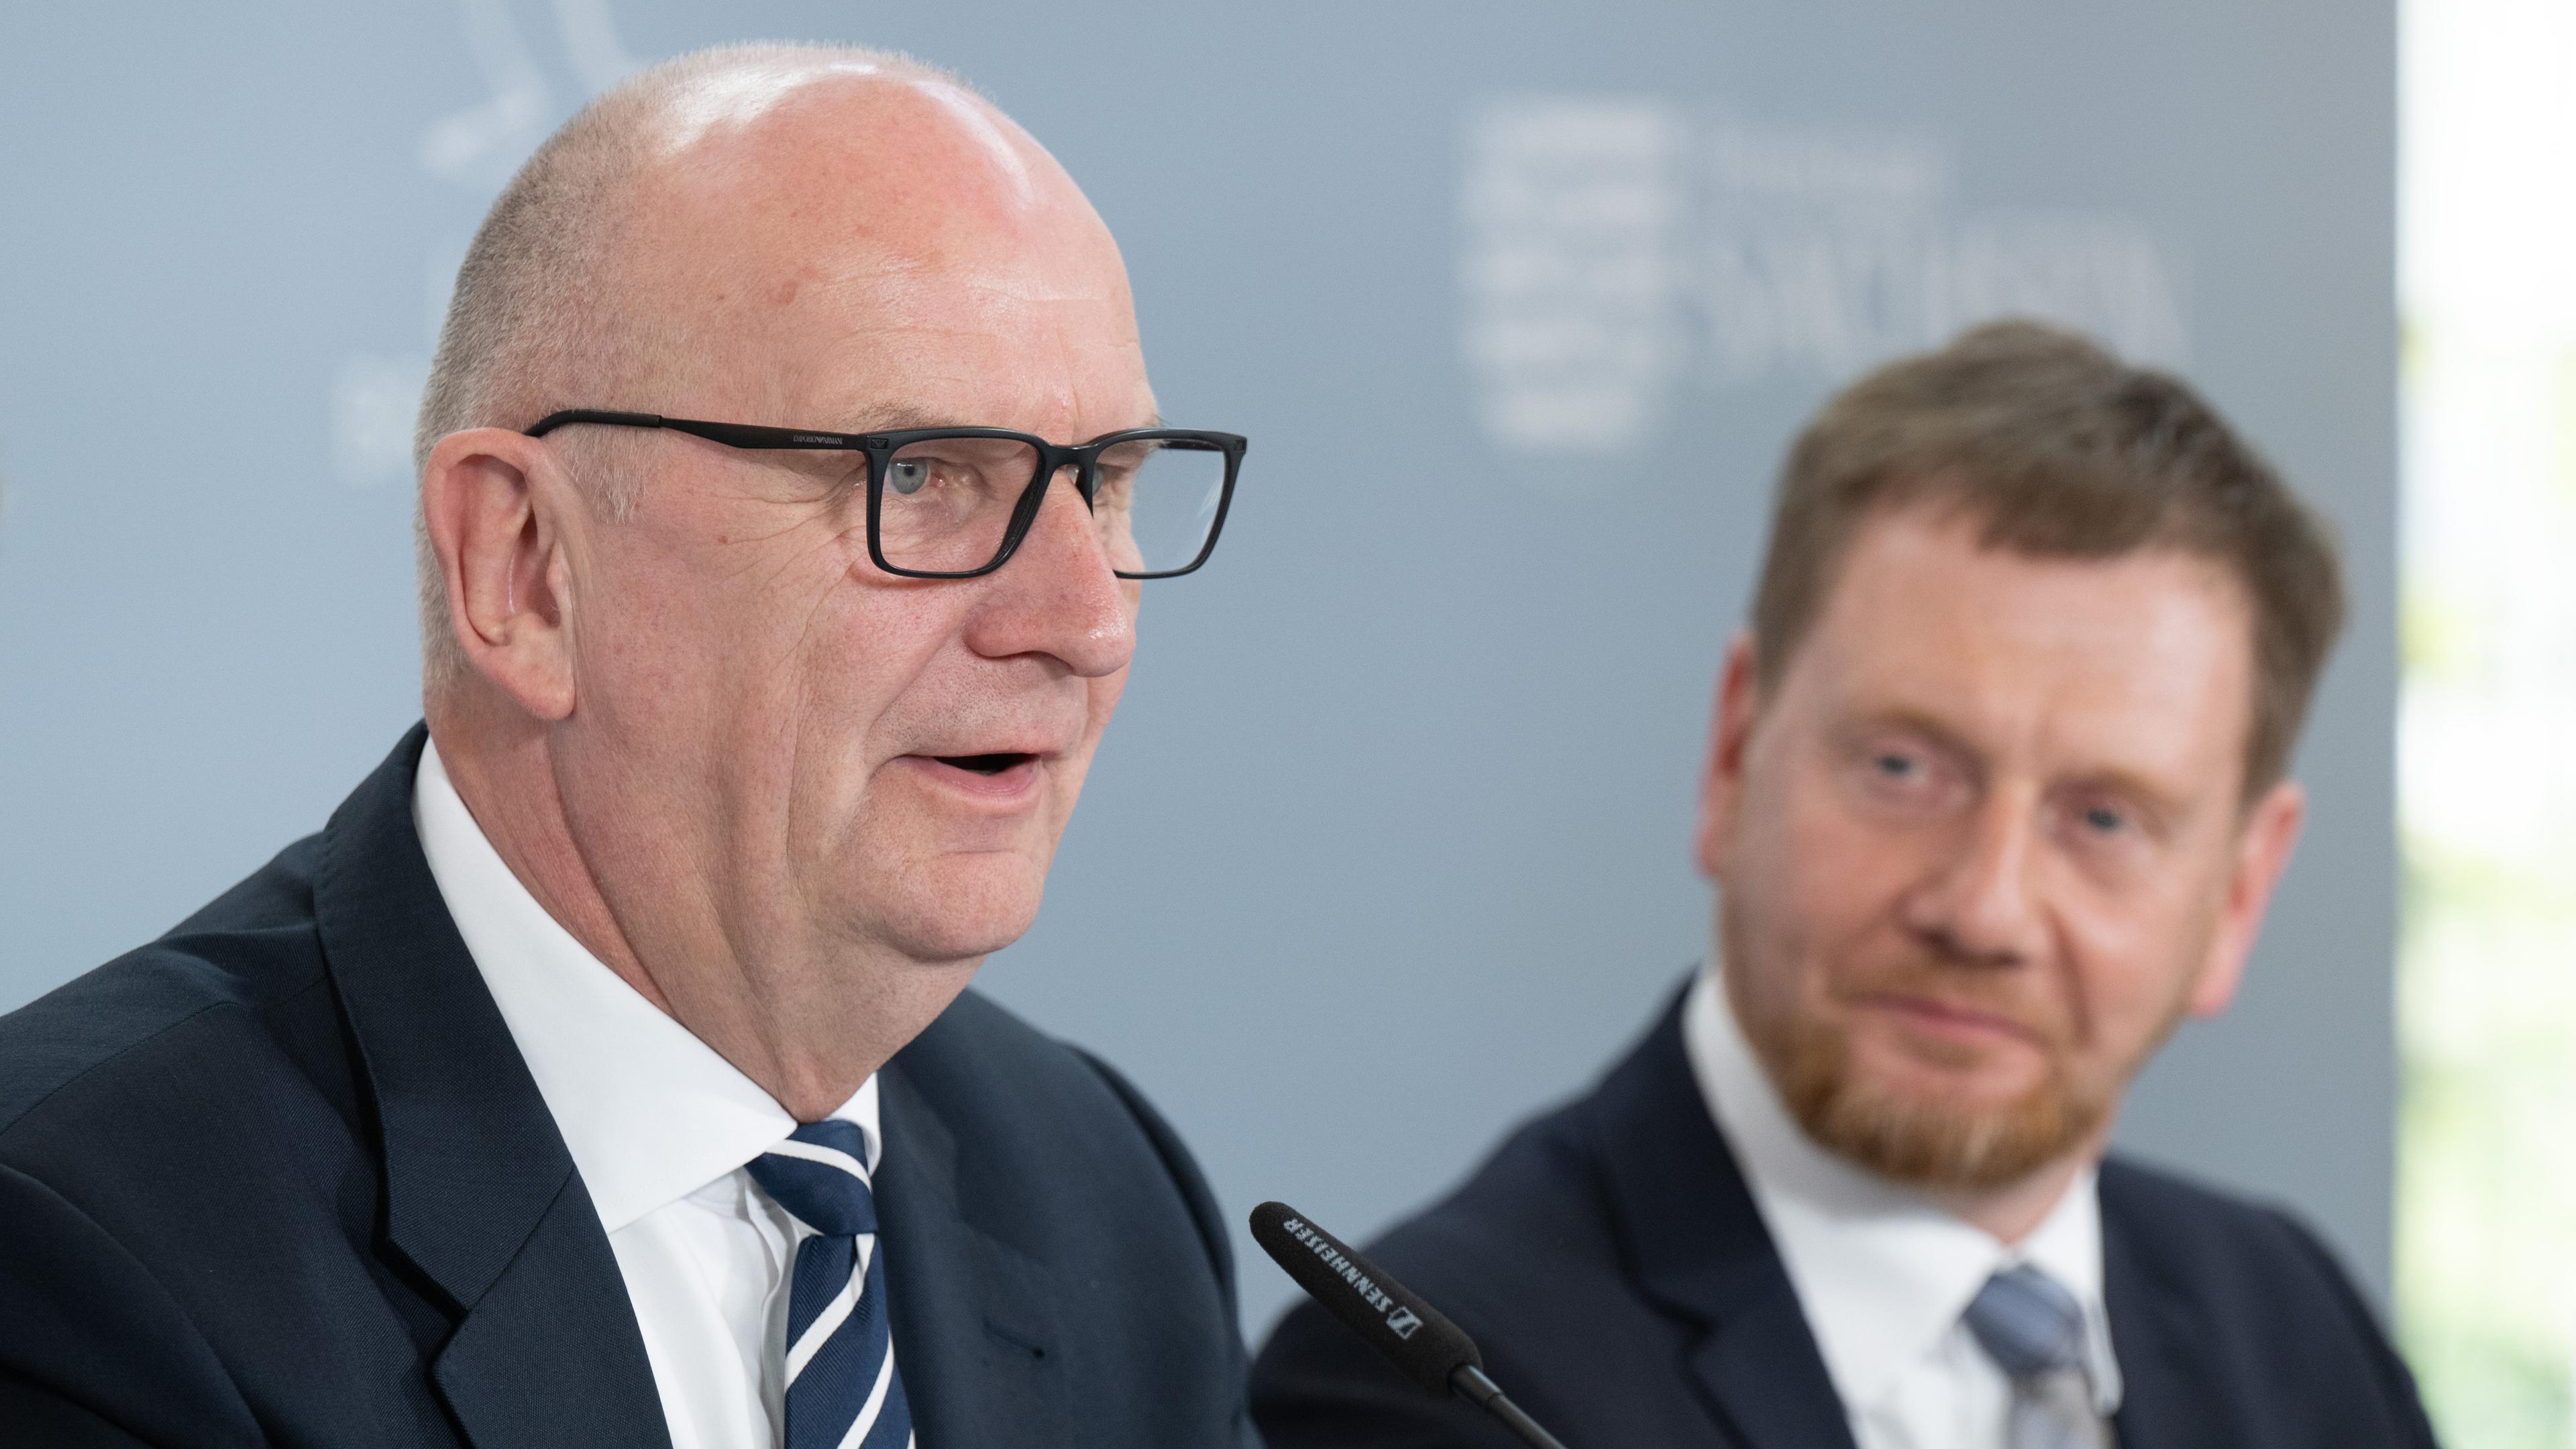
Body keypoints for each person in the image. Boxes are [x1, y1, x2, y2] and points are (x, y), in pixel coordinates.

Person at [0, 43, 1254, 1449]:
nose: (1084, 621)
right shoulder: (82, 1258)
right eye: (922, 476)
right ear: (524, 568)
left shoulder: (1099, 1194)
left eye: (1111, 486)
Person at [1250, 321, 2439, 1448]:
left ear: (2240, 892)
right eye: (1904, 768)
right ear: (1733, 753)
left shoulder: (2294, 1332)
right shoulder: (1434, 1384)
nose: (1984, 910)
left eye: (2105, 818)